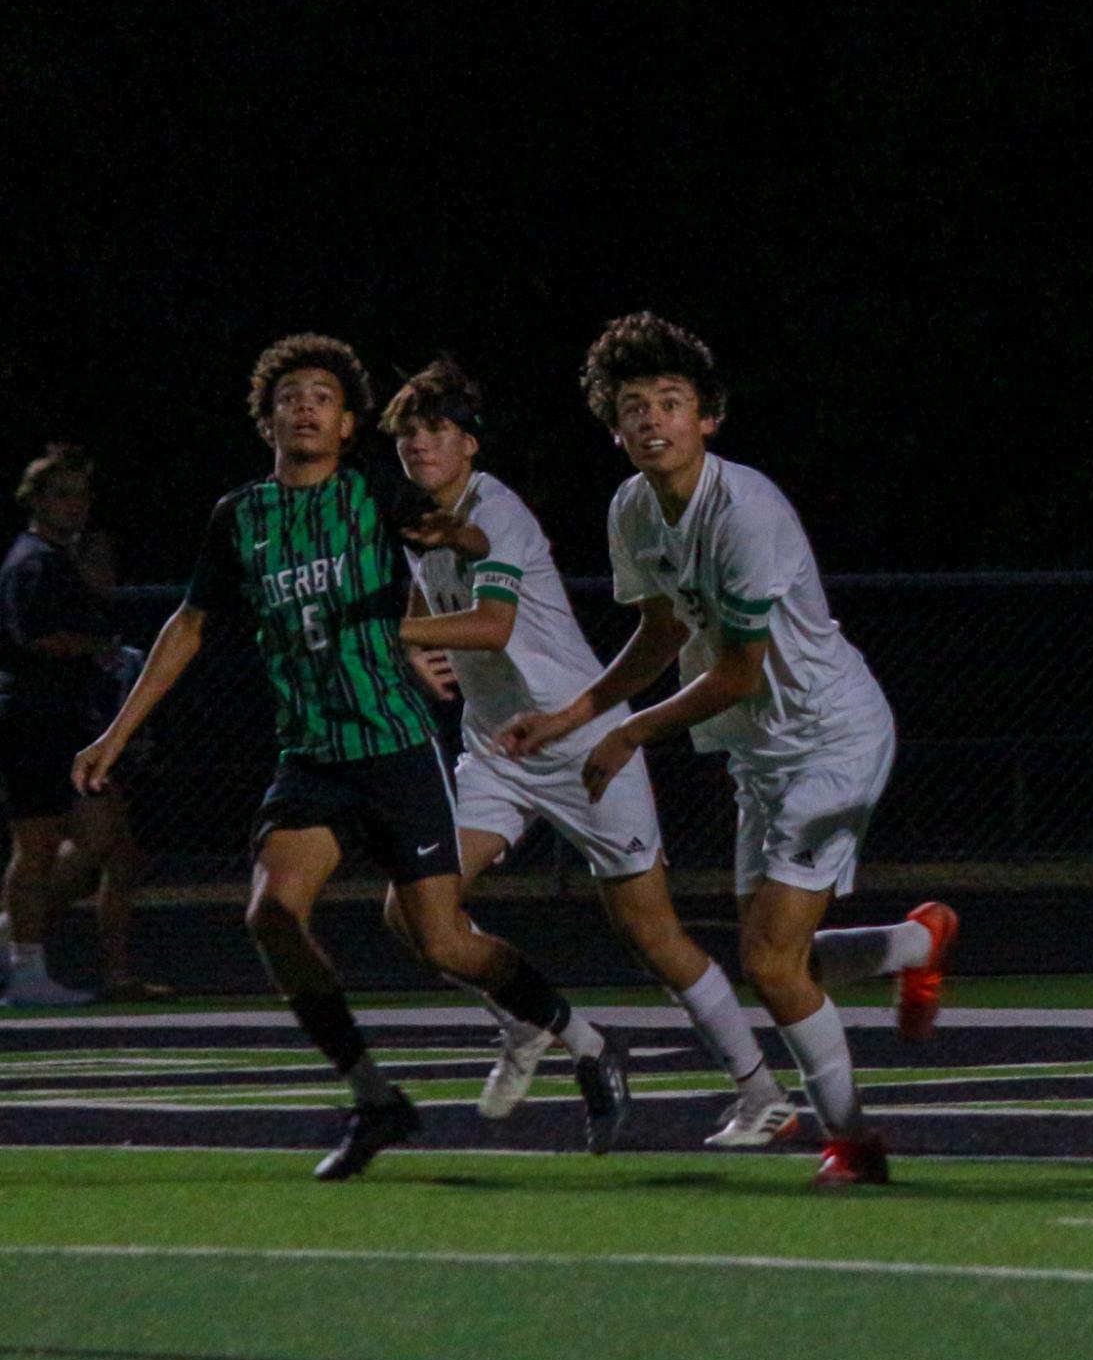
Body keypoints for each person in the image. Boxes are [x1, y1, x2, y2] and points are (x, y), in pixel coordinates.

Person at [72, 334, 629, 1179]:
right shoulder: (241, 517)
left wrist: (464, 542)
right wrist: (114, 731)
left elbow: (455, 539)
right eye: (289, 395)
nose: (304, 406)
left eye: (322, 397)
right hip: (311, 757)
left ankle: (584, 1041)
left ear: (346, 424)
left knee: (442, 942)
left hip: (395, 749)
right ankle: (373, 1098)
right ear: (266, 417)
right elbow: (189, 626)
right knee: (270, 915)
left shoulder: (374, 492)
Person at [498, 312, 955, 1187]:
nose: (652, 420)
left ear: (707, 417)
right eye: (633, 406)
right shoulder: (632, 510)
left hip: (831, 737)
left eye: (671, 402)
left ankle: (854, 1143)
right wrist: (572, 716)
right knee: (775, 959)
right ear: (613, 425)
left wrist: (627, 731)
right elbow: (662, 633)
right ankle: (912, 943)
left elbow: (740, 671)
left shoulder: (746, 510)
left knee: (773, 963)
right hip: (760, 753)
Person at [384, 356, 798, 1144]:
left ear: (470, 444)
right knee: (416, 913)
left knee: (653, 935)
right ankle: (530, 1021)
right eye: (407, 433)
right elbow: (431, 580)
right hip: (498, 748)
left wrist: (384, 631)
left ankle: (762, 1091)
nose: (418, 444)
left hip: (580, 741)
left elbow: (492, 622)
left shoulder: (494, 510)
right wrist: (411, 640)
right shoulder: (417, 517)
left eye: (435, 429)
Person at [0, 445, 171, 1006]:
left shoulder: (63, 558)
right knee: (37, 844)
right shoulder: (33, 561)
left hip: (73, 723)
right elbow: (35, 637)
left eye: (82, 494)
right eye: (62, 493)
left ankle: (17, 935)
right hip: (35, 721)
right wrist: (99, 648)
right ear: (36, 500)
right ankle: (26, 969)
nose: (76, 505)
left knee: (103, 841)